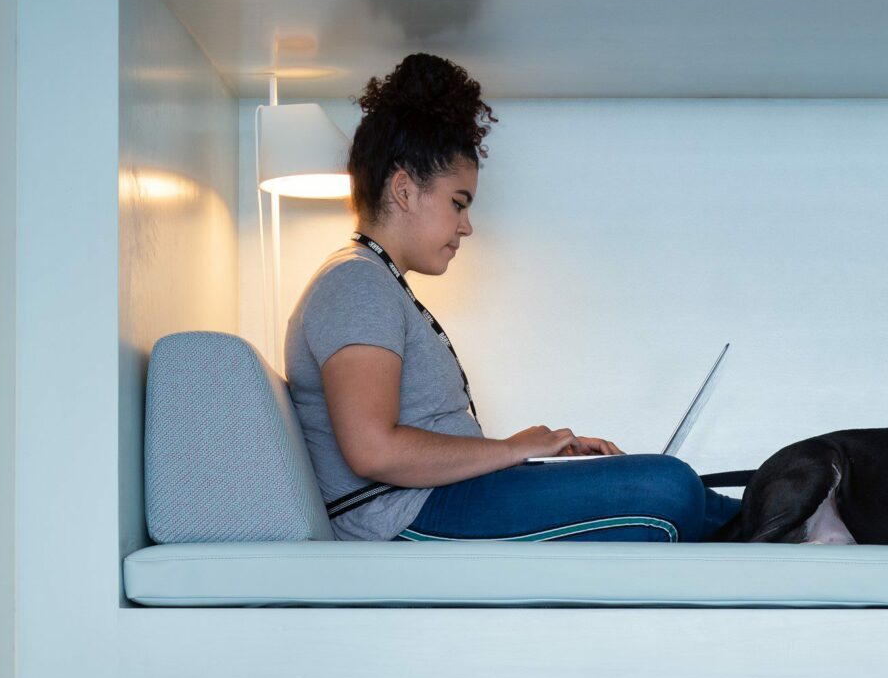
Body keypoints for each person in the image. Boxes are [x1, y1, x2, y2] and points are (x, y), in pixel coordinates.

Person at [283, 52, 740, 544]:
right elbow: (373, 450)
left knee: (683, 487)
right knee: (668, 485)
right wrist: (513, 450)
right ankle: (806, 519)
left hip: (444, 497)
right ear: (403, 189)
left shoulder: (373, 281)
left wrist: (535, 457)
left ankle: (807, 516)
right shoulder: (354, 284)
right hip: (404, 516)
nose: (466, 225)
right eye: (458, 203)